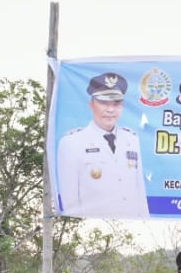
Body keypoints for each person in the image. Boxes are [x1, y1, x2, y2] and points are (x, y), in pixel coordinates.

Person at [57, 72, 149, 219]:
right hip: (94, 229)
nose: (110, 110)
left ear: (123, 106)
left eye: (116, 103)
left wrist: (145, 221)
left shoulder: (131, 139)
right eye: (104, 102)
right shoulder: (71, 143)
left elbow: (139, 191)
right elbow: (70, 201)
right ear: (92, 104)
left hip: (132, 227)